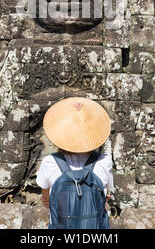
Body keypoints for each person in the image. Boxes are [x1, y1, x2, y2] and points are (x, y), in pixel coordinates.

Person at [36, 97, 114, 229]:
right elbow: (107, 194)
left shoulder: (50, 162)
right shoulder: (104, 161)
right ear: (93, 134)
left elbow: (46, 200)